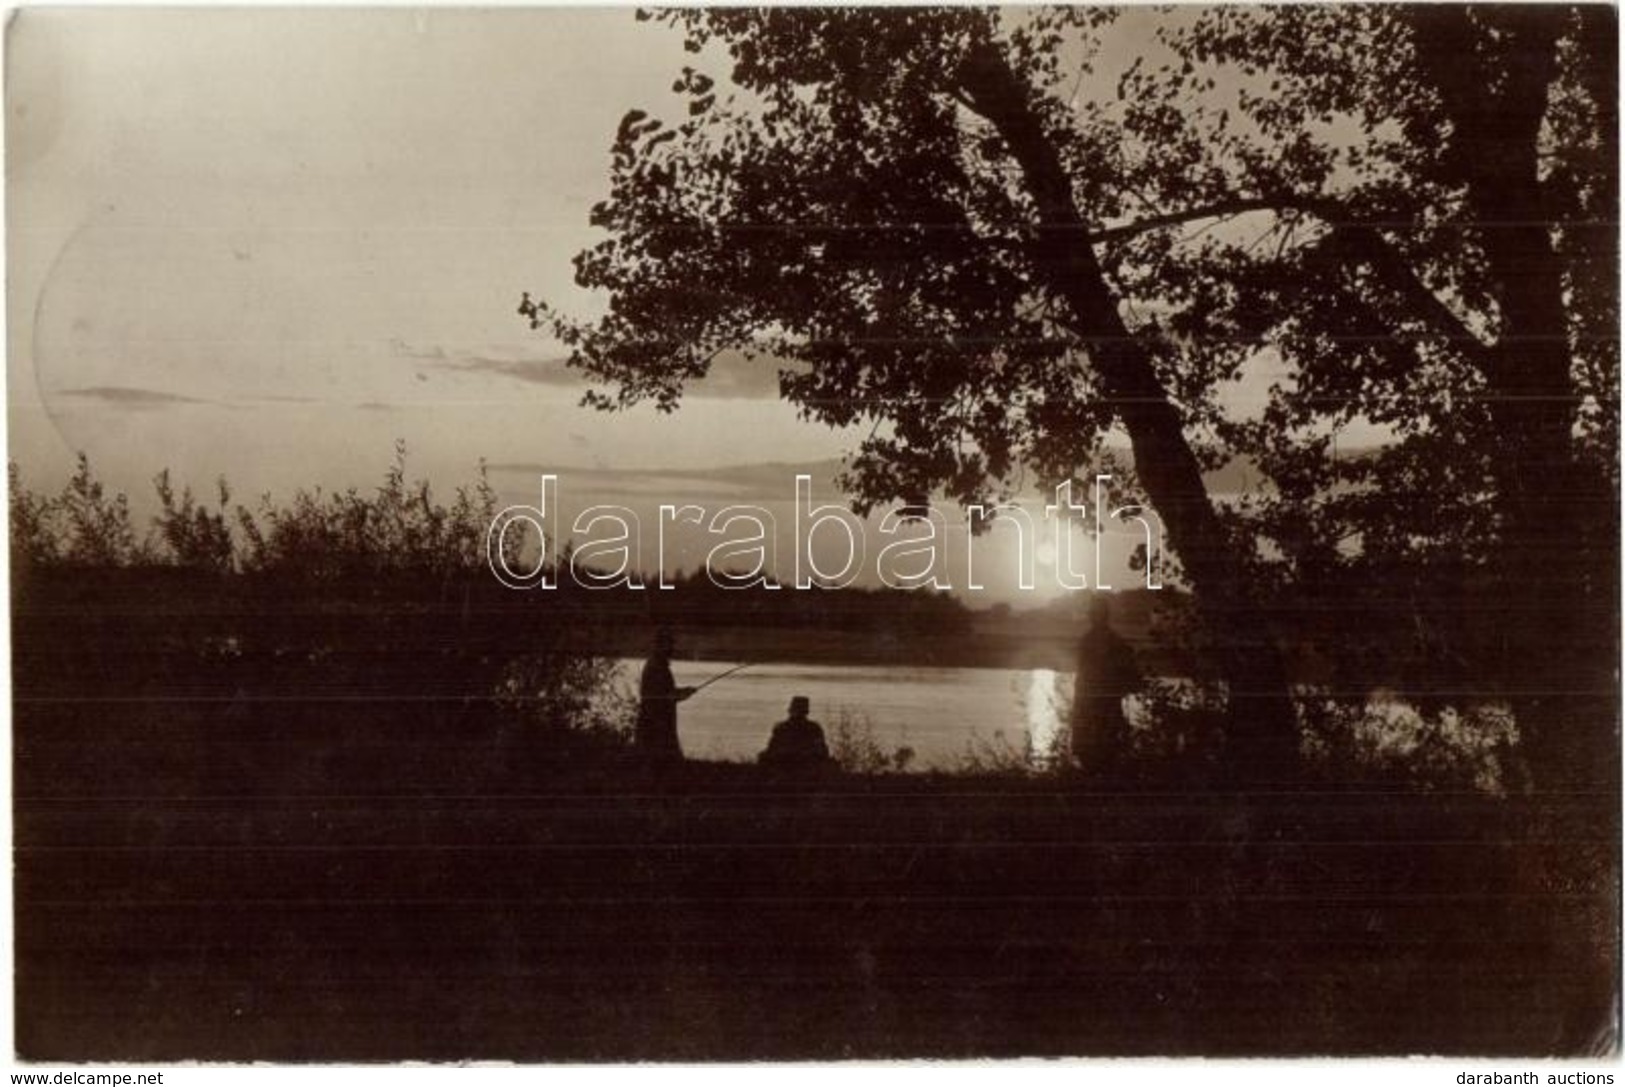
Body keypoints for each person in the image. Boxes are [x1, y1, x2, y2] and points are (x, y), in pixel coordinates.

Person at [1070, 596, 1141, 769]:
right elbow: (1133, 682)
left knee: (1100, 758)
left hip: (1099, 712)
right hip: (1096, 712)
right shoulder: (1113, 642)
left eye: (1093, 613)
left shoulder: (1106, 642)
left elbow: (1081, 681)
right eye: (1092, 613)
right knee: (1101, 758)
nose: (1091, 616)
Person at [638, 628, 695, 763]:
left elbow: (664, 692)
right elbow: (662, 696)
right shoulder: (657, 666)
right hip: (657, 723)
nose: (672, 648)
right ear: (660, 645)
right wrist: (682, 694)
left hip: (656, 721)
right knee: (661, 761)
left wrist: (683, 691)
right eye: (669, 644)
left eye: (671, 644)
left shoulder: (657, 664)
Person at [758, 695, 834, 772]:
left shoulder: (813, 728)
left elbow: (822, 750)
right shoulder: (782, 728)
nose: (796, 714)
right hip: (787, 762)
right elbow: (772, 748)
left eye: (798, 711)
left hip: (800, 764)